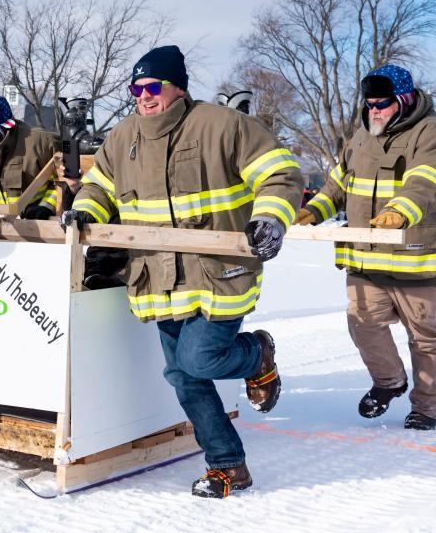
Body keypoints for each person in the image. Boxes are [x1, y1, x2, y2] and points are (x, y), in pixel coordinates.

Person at [62, 45, 303, 498]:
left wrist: (270, 216)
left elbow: (281, 173)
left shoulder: (222, 125)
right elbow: (99, 186)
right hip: (158, 277)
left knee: (199, 360)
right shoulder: (124, 136)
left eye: (152, 87)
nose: (143, 97)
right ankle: (228, 466)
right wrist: (83, 211)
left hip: (217, 272)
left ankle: (257, 354)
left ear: (178, 87)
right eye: (136, 89)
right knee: (184, 377)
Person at [296, 64, 436, 431]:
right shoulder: (360, 139)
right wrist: (312, 210)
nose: (374, 110)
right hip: (366, 257)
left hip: (417, 256)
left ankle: (426, 406)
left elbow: (426, 182)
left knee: (425, 338)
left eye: (382, 104)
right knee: (363, 324)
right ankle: (389, 382)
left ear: (404, 100)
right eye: (369, 104)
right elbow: (338, 185)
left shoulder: (434, 136)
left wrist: (399, 212)